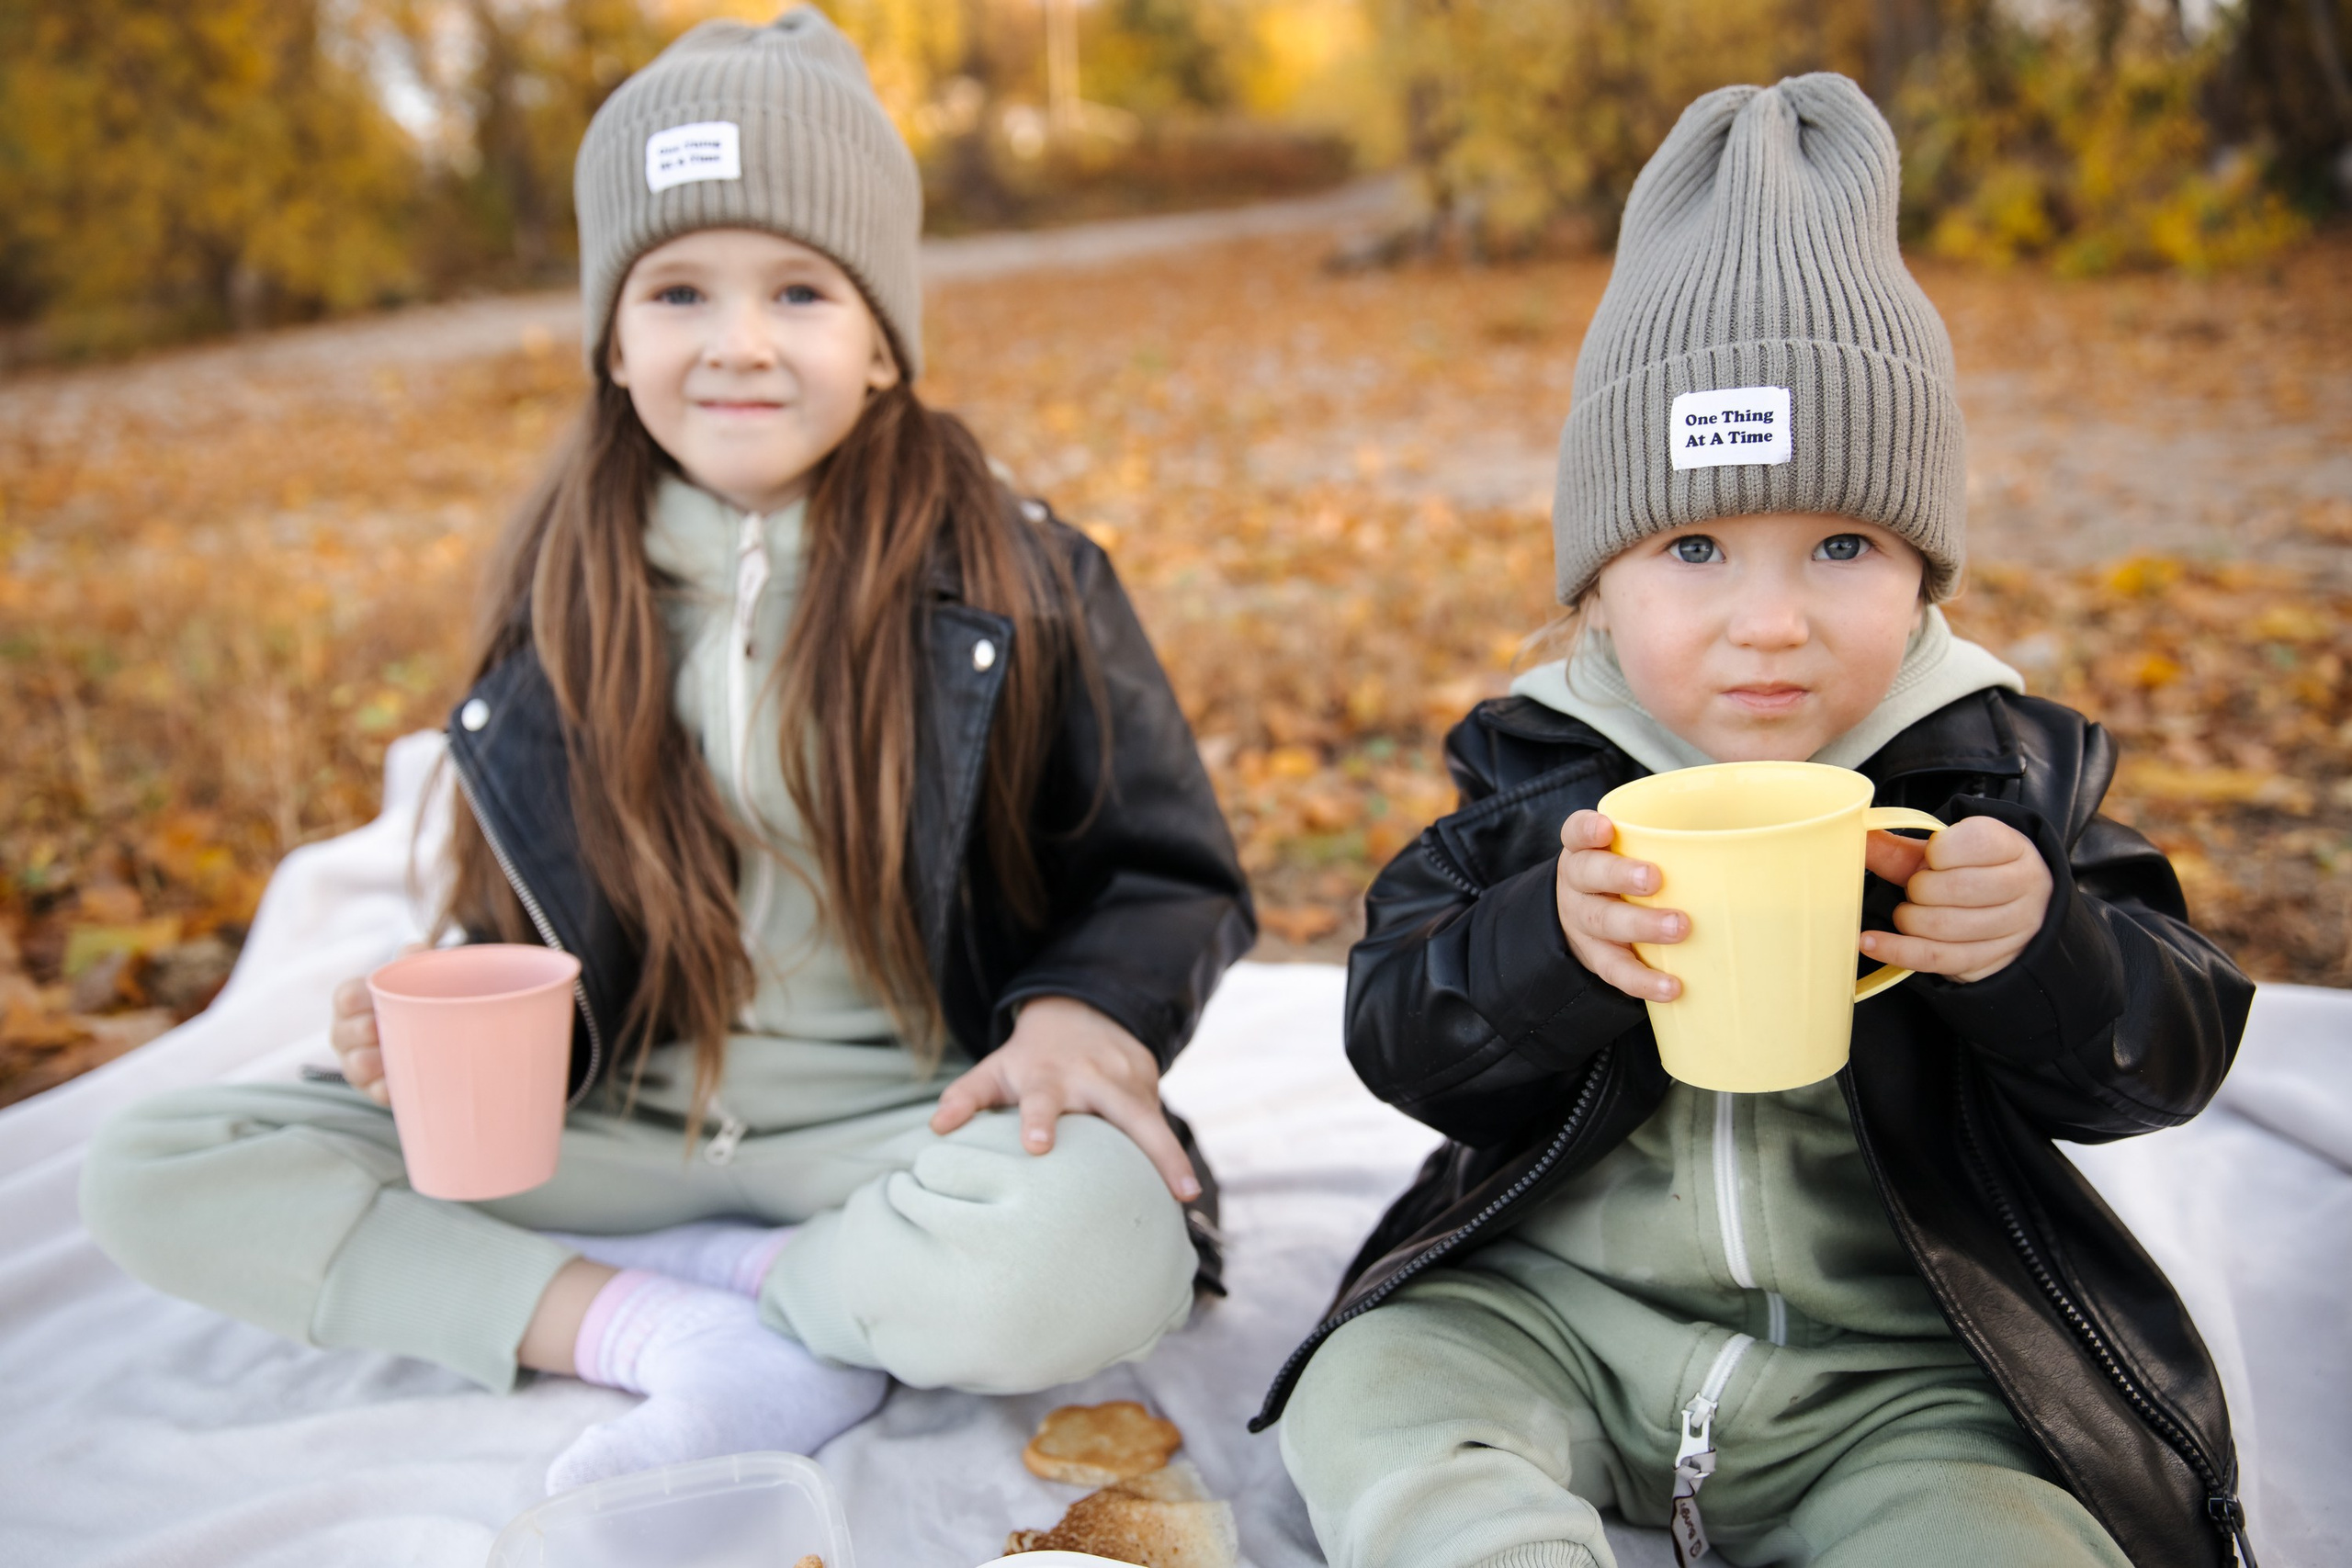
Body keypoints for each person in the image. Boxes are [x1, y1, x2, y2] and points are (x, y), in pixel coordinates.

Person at [81, 8, 1251, 1495]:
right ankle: (675, 1323)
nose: (739, 343)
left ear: (883, 342)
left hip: (909, 1125)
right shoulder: (563, 589)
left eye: (802, 291)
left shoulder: (1018, 580)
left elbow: (1167, 870)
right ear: (613, 341)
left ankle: (772, 1286)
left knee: (1098, 1243)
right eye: (680, 289)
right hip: (619, 1123)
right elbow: (543, 919)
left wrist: (1090, 1011)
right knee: (154, 1166)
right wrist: (443, 1024)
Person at [1262, 74, 2256, 1568]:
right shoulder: (1540, 779)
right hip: (1558, 1312)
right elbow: (1399, 1032)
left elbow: (2168, 1053)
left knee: (2013, 1534)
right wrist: (1546, 946)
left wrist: (2042, 948)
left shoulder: (1998, 778)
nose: (1771, 624)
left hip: (1905, 1370)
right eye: (1698, 546)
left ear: (1926, 570)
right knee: (1377, 1386)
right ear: (1595, 578)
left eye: (1844, 543)